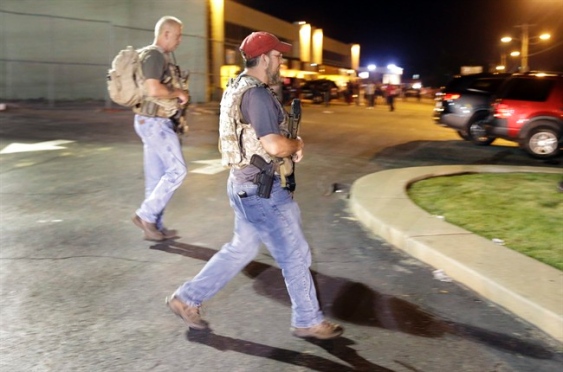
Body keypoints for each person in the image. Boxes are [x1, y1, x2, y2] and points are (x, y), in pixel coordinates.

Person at [166, 31, 343, 340]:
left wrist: (287, 146)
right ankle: (308, 320)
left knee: (241, 248)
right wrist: (296, 143)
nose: (282, 61)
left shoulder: (237, 86)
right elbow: (273, 145)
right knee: (295, 255)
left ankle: (186, 297)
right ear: (263, 59)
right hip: (262, 191)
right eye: (277, 56)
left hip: (243, 185)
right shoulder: (257, 94)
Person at [131, 16, 190, 241]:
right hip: (155, 122)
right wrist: (178, 93)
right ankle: (145, 216)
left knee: (156, 178)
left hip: (150, 121)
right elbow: (154, 89)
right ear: (165, 34)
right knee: (177, 170)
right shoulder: (154, 55)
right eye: (177, 35)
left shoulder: (155, 55)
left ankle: (153, 227)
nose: (179, 40)